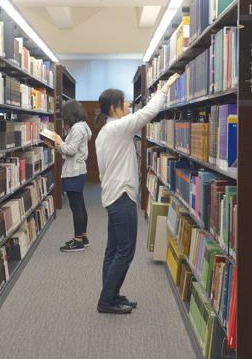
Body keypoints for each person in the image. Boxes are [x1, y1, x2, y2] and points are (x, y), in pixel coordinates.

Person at [94, 73, 180, 314]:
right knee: (126, 250)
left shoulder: (105, 132)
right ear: (114, 107)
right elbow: (147, 113)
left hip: (111, 196)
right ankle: (106, 301)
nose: (129, 105)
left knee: (113, 250)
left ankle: (110, 295)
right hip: (122, 197)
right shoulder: (119, 127)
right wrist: (165, 89)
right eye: (124, 102)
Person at [44, 99, 92, 252]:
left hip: (74, 172)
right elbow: (70, 149)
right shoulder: (81, 126)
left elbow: (70, 150)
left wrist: (59, 141)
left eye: (64, 114)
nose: (63, 117)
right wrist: (56, 146)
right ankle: (82, 238)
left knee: (76, 207)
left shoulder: (77, 128)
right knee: (80, 205)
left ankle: (78, 241)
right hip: (77, 170)